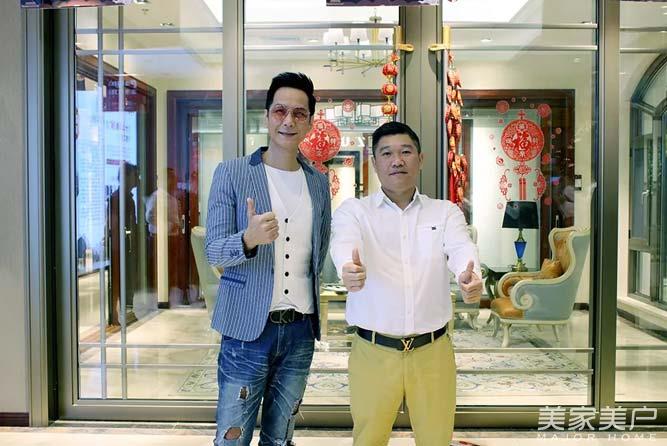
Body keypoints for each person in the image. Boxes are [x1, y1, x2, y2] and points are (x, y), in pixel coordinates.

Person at [330, 121, 483, 445]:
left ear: (420, 159)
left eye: (405, 152)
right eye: (387, 153)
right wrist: (347, 268)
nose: (397, 161)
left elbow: (461, 247)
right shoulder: (355, 212)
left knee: (436, 439)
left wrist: (469, 275)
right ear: (375, 163)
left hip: (433, 352)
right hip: (373, 352)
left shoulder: (445, 212)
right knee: (368, 439)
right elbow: (344, 243)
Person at [205, 72, 331, 446]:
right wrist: (248, 239)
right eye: (280, 111)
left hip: (300, 331)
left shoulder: (318, 181)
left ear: (310, 122)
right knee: (232, 439)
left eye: (299, 113)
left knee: (280, 439)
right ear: (266, 116)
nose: (288, 120)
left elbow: (320, 249)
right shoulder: (232, 173)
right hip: (247, 330)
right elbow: (213, 249)